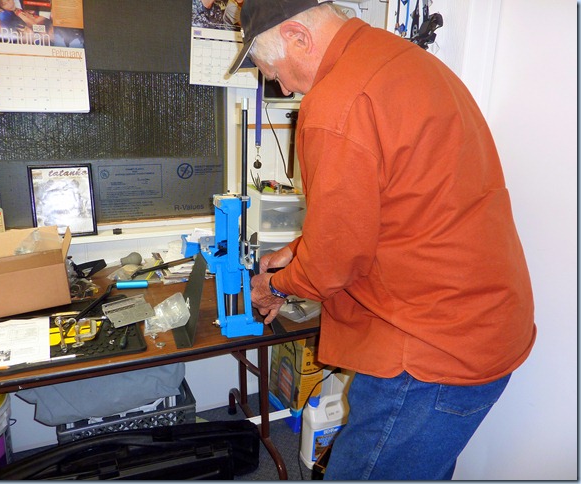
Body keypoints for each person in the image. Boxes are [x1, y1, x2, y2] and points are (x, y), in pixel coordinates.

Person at [229, 0, 536, 480]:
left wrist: (277, 285)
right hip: (486, 323)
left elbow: (332, 265)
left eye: (276, 73)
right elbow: (389, 204)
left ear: (298, 38)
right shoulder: (406, 61)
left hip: (429, 354)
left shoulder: (336, 102)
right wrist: (297, 250)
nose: (284, 87)